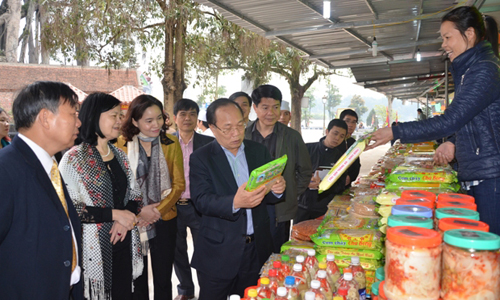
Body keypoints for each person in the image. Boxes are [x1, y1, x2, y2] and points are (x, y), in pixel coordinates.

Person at [367, 6, 500, 235]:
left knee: (489, 248)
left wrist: (395, 132)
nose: (443, 44)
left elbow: (451, 120)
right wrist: (453, 143)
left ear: (469, 34)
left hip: (490, 175)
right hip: (479, 172)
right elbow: (470, 119)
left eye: (448, 37)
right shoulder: (470, 69)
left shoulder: (484, 70)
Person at [190, 98, 286, 299]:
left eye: (240, 125)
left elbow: (269, 194)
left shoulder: (258, 151)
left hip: (257, 249)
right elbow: (201, 200)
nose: (236, 133)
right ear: (213, 129)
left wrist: (277, 188)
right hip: (219, 253)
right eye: (227, 128)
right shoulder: (201, 157)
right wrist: (235, 202)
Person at [0, 81, 83, 299]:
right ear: (45, 118)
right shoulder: (6, 170)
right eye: (74, 114)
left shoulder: (50, 165)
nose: (79, 122)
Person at [59, 93, 145, 299]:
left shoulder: (120, 155)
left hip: (124, 239)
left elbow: (136, 196)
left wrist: (125, 221)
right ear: (94, 116)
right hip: (94, 249)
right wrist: (115, 215)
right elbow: (72, 209)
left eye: (120, 115)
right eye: (113, 115)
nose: (119, 121)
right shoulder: (73, 159)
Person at [117, 95, 185, 300]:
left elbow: (179, 185)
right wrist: (139, 212)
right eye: (148, 120)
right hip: (133, 221)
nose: (156, 124)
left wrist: (156, 211)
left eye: (159, 118)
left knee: (163, 278)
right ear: (135, 121)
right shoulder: (121, 144)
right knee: (137, 277)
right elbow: (119, 188)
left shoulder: (171, 142)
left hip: (164, 220)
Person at [245, 84, 312, 252]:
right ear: (255, 108)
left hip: (278, 209)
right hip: (248, 204)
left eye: (276, 107)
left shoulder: (292, 136)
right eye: (265, 107)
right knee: (251, 254)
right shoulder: (244, 135)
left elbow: (305, 170)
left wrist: (290, 193)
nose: (271, 113)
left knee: (276, 253)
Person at [172, 98, 214, 300]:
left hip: (199, 207)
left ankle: (206, 289)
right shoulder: (166, 143)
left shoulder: (209, 143)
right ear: (174, 118)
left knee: (204, 251)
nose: (187, 118)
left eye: (192, 114)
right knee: (177, 251)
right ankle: (186, 290)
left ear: (197, 119)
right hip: (173, 207)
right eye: (182, 114)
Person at [296, 119, 348, 223]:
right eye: (335, 133)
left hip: (325, 207)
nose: (337, 138)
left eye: (342, 136)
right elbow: (293, 172)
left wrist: (324, 185)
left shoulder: (342, 158)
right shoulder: (307, 149)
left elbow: (341, 185)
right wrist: (306, 182)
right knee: (298, 235)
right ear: (327, 131)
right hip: (302, 205)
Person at [338, 109, 361, 187]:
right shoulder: (331, 140)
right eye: (347, 121)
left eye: (353, 122)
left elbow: (356, 165)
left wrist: (350, 177)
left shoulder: (353, 143)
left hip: (346, 186)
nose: (350, 125)